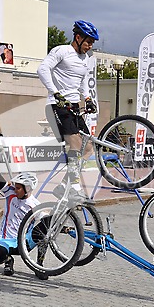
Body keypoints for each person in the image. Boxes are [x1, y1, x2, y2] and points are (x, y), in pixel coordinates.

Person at [37, 20, 99, 205]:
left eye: (92, 43)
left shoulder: (85, 59)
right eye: (88, 41)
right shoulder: (61, 51)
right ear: (78, 37)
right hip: (57, 106)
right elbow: (42, 69)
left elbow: (82, 82)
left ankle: (64, 185)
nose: (89, 46)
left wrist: (87, 99)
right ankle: (75, 187)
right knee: (75, 143)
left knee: (88, 148)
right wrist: (55, 92)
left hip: (73, 107)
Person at [0, 172, 41, 277]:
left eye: (18, 188)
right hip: (6, 240)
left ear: (27, 189)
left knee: (46, 230)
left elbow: (47, 222)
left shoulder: (35, 205)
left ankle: (40, 266)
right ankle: (8, 260)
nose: (14, 189)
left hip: (25, 242)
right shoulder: (10, 194)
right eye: (15, 187)